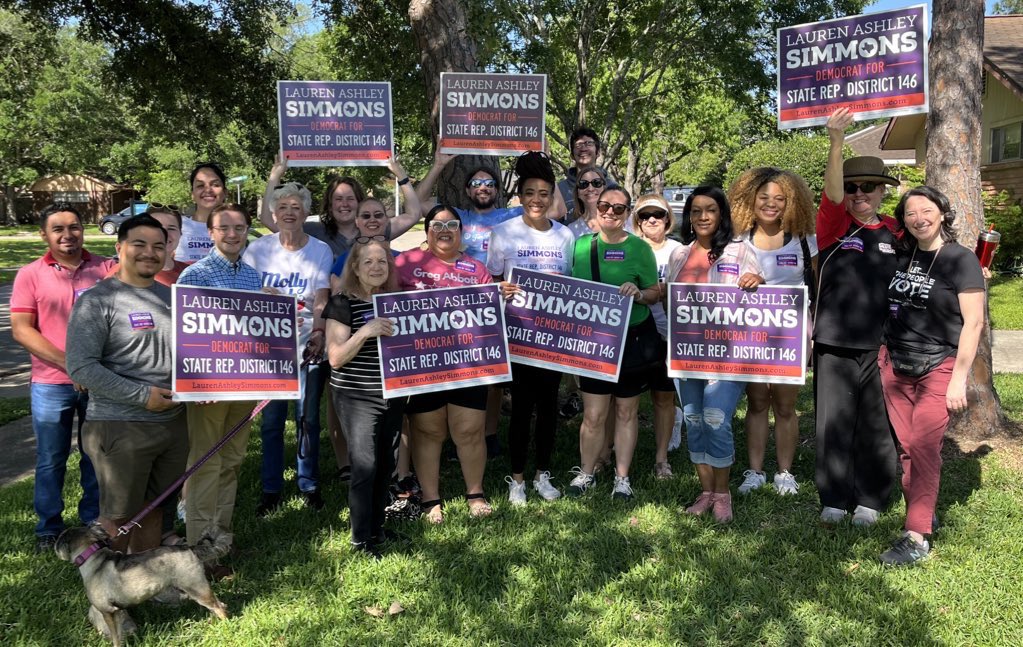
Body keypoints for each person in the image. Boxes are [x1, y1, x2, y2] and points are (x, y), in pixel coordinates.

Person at [66, 214, 187, 553]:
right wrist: (141, 396)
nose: (149, 252)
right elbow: (81, 367)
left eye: (158, 246)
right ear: (119, 248)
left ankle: (145, 580)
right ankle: (107, 596)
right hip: (120, 425)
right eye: (139, 244)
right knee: (117, 517)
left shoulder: (174, 298)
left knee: (154, 509)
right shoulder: (97, 301)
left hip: (173, 423)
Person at [877, 186, 985, 565]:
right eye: (910, 212)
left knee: (923, 446)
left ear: (942, 213)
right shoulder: (903, 256)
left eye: (926, 210)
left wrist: (959, 378)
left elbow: (973, 323)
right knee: (907, 446)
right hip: (895, 366)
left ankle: (917, 536)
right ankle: (923, 512)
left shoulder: (960, 259)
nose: (919, 217)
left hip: (937, 367)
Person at [814, 108, 901, 526]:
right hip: (833, 340)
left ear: (884, 191)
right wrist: (835, 142)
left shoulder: (897, 233)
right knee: (834, 422)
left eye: (868, 187)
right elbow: (831, 196)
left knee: (876, 424)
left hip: (883, 345)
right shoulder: (833, 225)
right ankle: (834, 496)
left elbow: (933, 268)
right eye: (852, 187)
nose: (859, 193)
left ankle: (871, 497)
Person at [10, 203, 114, 552]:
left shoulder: (105, 268)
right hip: (50, 383)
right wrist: (72, 365)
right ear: (44, 234)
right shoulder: (30, 274)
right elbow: (22, 331)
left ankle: (92, 523)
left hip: (100, 382)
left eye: (74, 227)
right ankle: (48, 530)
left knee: (95, 455)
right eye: (58, 229)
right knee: (51, 458)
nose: (67, 234)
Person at [176, 204, 263, 576]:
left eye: (239, 227)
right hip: (209, 388)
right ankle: (199, 549)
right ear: (210, 232)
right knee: (205, 464)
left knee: (231, 461)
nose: (232, 233)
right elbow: (187, 335)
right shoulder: (195, 275)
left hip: (244, 385)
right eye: (224, 227)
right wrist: (197, 382)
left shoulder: (254, 276)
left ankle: (221, 540)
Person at [667, 187, 763, 522]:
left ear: (721, 214)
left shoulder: (739, 251)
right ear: (689, 217)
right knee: (693, 419)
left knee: (716, 418)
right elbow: (670, 300)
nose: (703, 217)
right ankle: (706, 491)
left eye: (710, 210)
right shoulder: (679, 255)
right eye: (696, 211)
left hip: (729, 353)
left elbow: (760, 291)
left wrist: (756, 279)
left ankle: (723, 494)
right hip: (686, 353)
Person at [486, 152, 576, 506]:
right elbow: (492, 279)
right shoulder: (502, 233)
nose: (536, 200)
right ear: (519, 196)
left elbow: (568, 284)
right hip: (519, 335)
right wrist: (500, 290)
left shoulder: (565, 237)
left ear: (553, 195)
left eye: (543, 193)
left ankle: (543, 474)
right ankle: (518, 479)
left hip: (552, 337)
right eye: (529, 193)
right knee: (522, 407)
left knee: (549, 405)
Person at [395, 205, 495, 521]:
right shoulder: (405, 264)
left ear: (461, 232)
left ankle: (475, 493)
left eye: (452, 224)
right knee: (427, 430)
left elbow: (489, 316)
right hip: (422, 364)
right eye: (437, 225)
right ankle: (431, 498)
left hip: (468, 363)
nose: (444, 230)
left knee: (470, 429)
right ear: (427, 232)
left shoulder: (476, 269)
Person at [243, 182, 332, 515]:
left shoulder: (320, 249)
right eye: (283, 207)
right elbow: (248, 295)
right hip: (269, 348)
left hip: (308, 342)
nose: (290, 213)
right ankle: (270, 487)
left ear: (306, 212)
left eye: (296, 207)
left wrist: (319, 332)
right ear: (274, 214)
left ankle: (308, 483)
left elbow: (322, 297)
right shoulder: (258, 250)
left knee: (307, 418)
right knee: (271, 421)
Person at [728, 168, 817, 496]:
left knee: (784, 404)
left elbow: (818, 285)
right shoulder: (737, 240)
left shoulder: (805, 239)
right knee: (756, 401)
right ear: (750, 200)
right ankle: (754, 471)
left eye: (780, 199)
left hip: (790, 333)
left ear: (792, 202)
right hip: (750, 331)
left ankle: (784, 472)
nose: (771, 204)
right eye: (764, 197)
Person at [566, 187, 659, 500]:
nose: (610, 212)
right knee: (593, 415)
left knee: (626, 412)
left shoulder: (640, 249)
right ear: (596, 206)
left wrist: (639, 292)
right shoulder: (578, 246)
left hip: (631, 339)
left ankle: (622, 477)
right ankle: (586, 472)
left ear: (627, 213)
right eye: (605, 205)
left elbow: (654, 293)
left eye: (618, 209)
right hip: (593, 342)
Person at [325, 240, 406, 559]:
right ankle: (360, 540)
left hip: (392, 393)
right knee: (365, 465)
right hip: (357, 394)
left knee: (386, 463)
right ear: (355, 268)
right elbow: (335, 358)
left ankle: (377, 530)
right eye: (368, 262)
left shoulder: (394, 301)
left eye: (382, 262)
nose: (376, 267)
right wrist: (365, 331)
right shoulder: (342, 303)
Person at [262, 155, 423, 256]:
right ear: (330, 205)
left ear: (359, 203)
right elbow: (268, 219)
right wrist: (274, 176)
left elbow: (413, 215)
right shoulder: (314, 232)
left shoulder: (374, 228)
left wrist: (400, 175)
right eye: (338, 199)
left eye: (350, 198)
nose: (344, 204)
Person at [632, 193, 684, 480]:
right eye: (644, 215)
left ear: (668, 219)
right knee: (626, 400)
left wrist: (666, 290)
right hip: (634, 333)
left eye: (658, 215)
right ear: (637, 222)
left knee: (664, 397)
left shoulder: (680, 250)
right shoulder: (629, 247)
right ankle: (614, 447)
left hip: (668, 334)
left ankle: (661, 458)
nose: (652, 220)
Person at [557, 126, 616, 220]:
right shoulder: (559, 189)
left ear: (598, 152)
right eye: (578, 145)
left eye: (589, 143)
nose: (583, 148)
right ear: (572, 155)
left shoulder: (612, 187)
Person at [177, 162, 227, 262]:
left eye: (215, 184)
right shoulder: (177, 226)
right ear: (192, 194)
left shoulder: (235, 230)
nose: (208, 190)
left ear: (225, 192)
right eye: (200, 185)